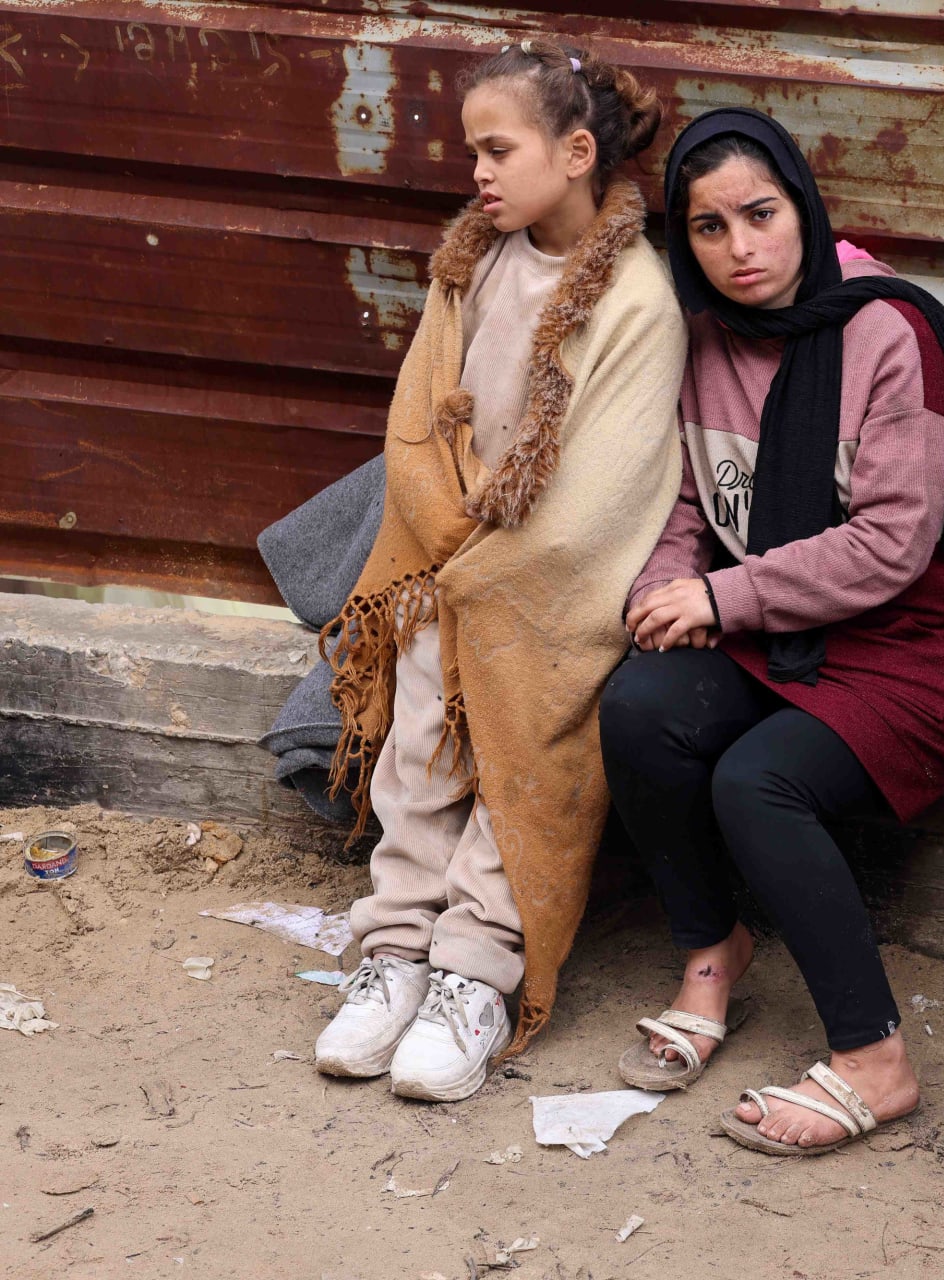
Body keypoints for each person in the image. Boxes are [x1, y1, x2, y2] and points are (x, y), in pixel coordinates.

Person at [597, 108, 944, 1156]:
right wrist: (669, 590)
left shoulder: (889, 330)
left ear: (803, 204)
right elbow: (690, 506)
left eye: (761, 213)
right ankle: (715, 952)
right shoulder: (699, 336)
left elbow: (892, 543)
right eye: (709, 228)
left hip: (925, 637)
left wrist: (719, 600)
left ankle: (875, 1060)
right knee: (641, 709)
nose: (741, 248)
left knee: (759, 778)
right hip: (789, 624)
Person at [311, 39, 687, 1102]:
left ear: (574, 153)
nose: (477, 172)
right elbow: (418, 419)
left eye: (496, 149)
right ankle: (393, 951)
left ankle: (476, 972)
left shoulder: (636, 300)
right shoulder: (471, 262)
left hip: (547, 590)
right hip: (444, 562)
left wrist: (498, 568)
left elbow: (613, 484)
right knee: (419, 745)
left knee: (525, 766)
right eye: (471, 151)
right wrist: (443, 546)